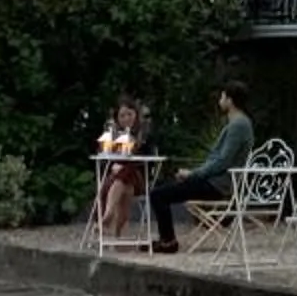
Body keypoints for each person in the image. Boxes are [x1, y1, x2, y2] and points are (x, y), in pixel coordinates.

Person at [148, 81, 255, 252]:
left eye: (222, 96)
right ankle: (166, 239)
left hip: (217, 185)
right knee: (162, 187)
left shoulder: (238, 125)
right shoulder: (238, 124)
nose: (220, 100)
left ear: (230, 100)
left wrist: (193, 174)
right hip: (215, 181)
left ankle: (168, 241)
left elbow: (223, 161)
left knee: (158, 195)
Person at [95, 97, 153, 239]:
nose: (126, 118)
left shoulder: (144, 131)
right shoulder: (111, 134)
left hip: (140, 177)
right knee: (125, 187)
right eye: (122, 115)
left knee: (127, 172)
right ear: (117, 118)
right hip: (121, 180)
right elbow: (104, 156)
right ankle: (116, 232)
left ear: (135, 114)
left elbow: (146, 158)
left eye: (129, 114)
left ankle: (107, 216)